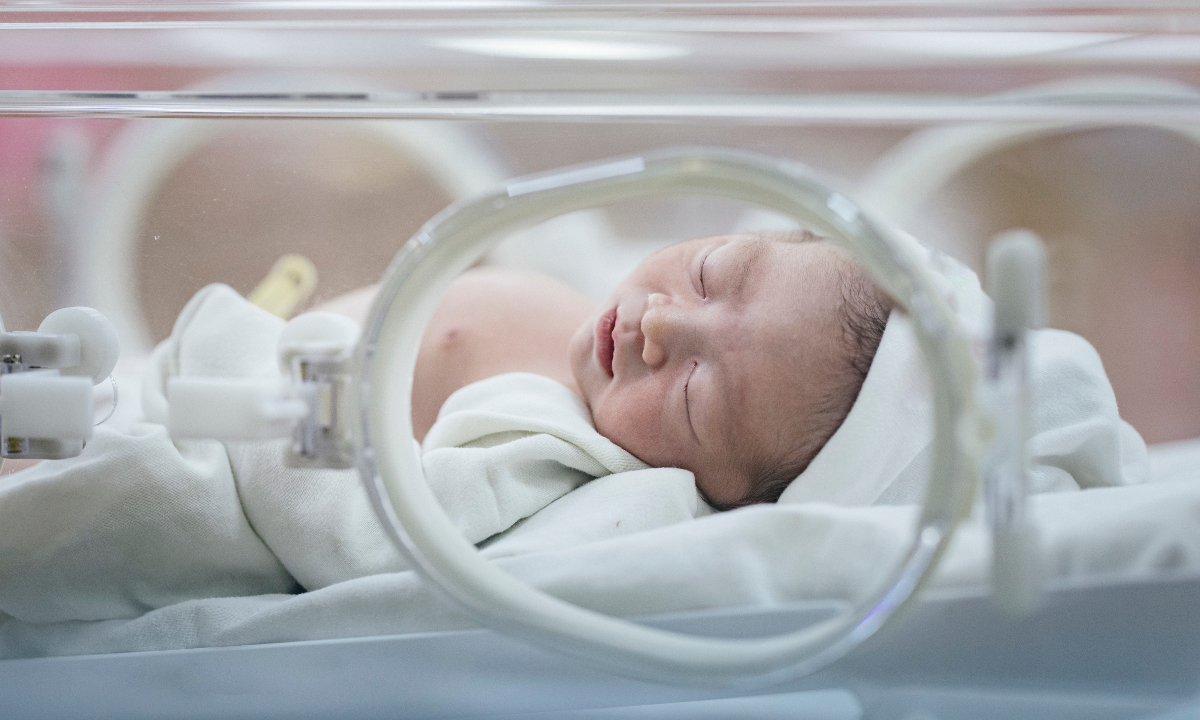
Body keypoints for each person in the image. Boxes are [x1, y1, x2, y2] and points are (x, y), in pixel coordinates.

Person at [408, 230, 892, 510]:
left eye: (692, 393)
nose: (658, 321)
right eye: (708, 272)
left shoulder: (539, 464)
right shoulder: (584, 311)